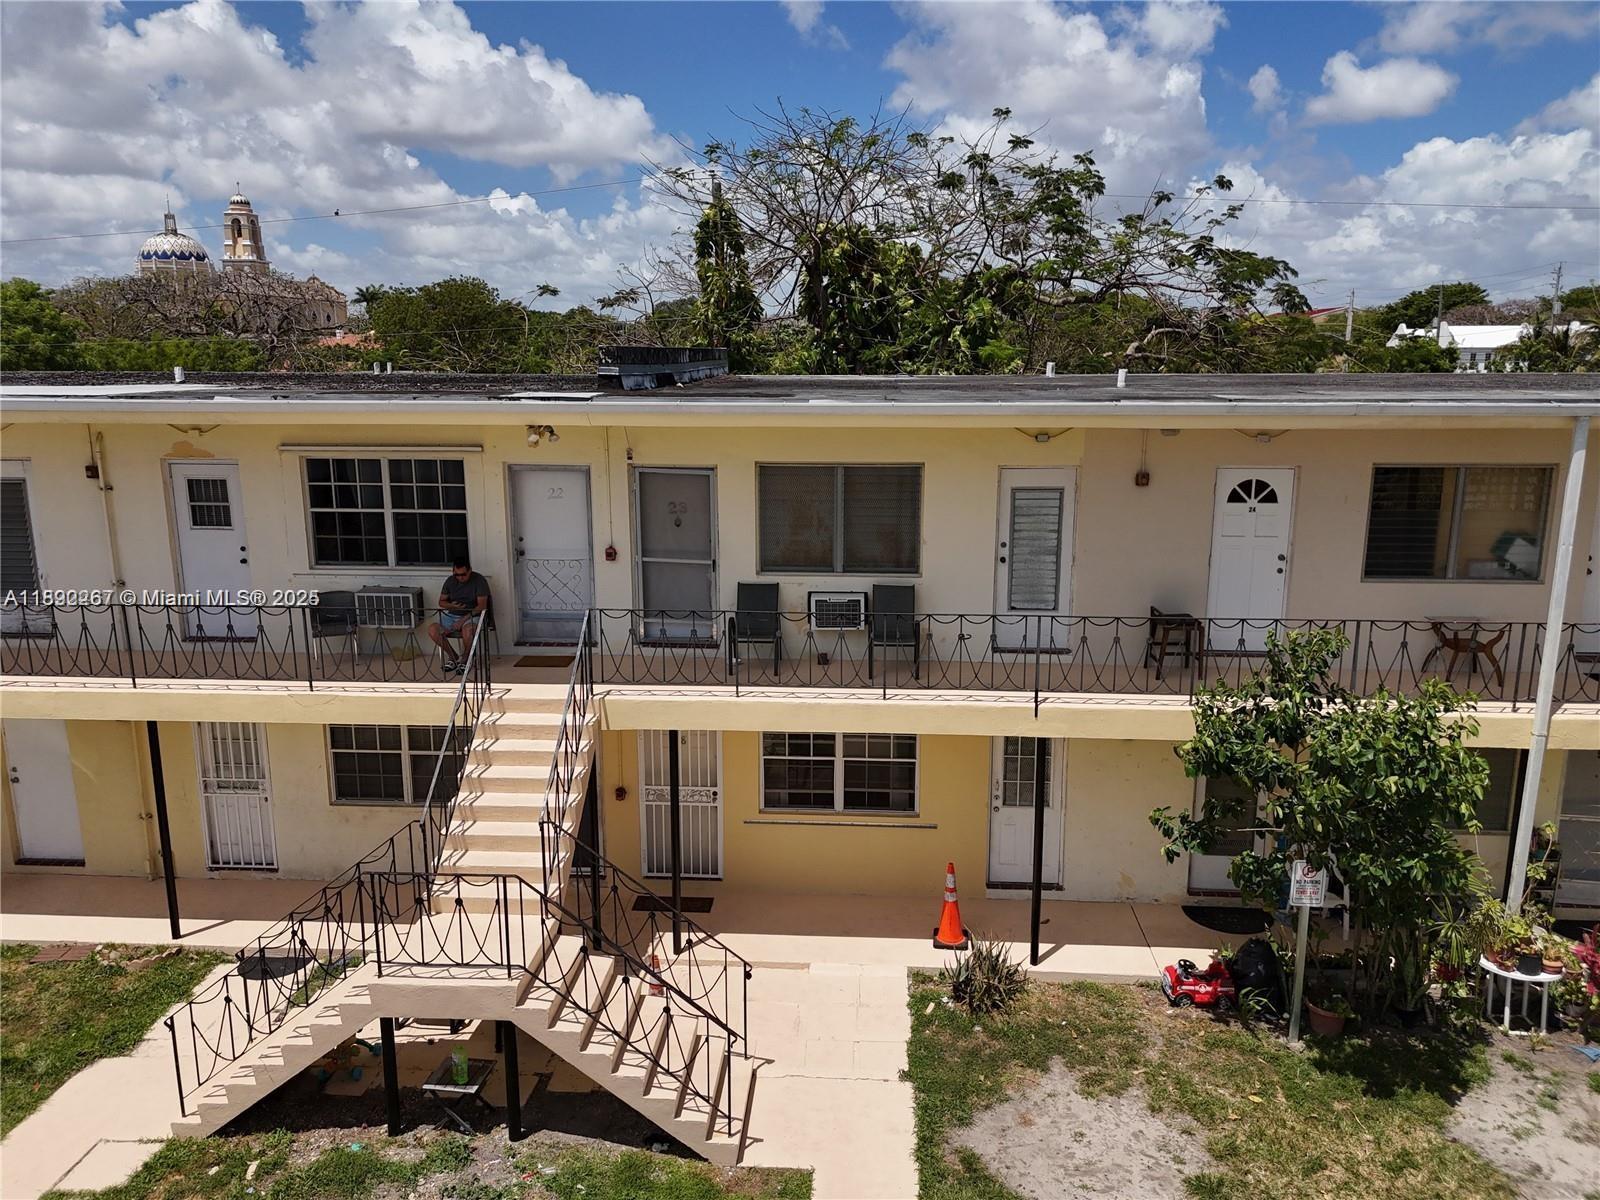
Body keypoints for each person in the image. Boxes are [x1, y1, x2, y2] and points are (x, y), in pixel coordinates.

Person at [427, 557, 489, 673]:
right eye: (457, 575)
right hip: (453, 615)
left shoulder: (479, 580)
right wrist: (452, 606)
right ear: (453, 572)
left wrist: (463, 620)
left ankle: (466, 660)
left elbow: (481, 606)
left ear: (470, 571)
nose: (460, 577)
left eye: (463, 574)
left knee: (468, 630)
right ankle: (453, 657)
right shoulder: (450, 581)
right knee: (433, 630)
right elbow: (441, 602)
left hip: (473, 615)